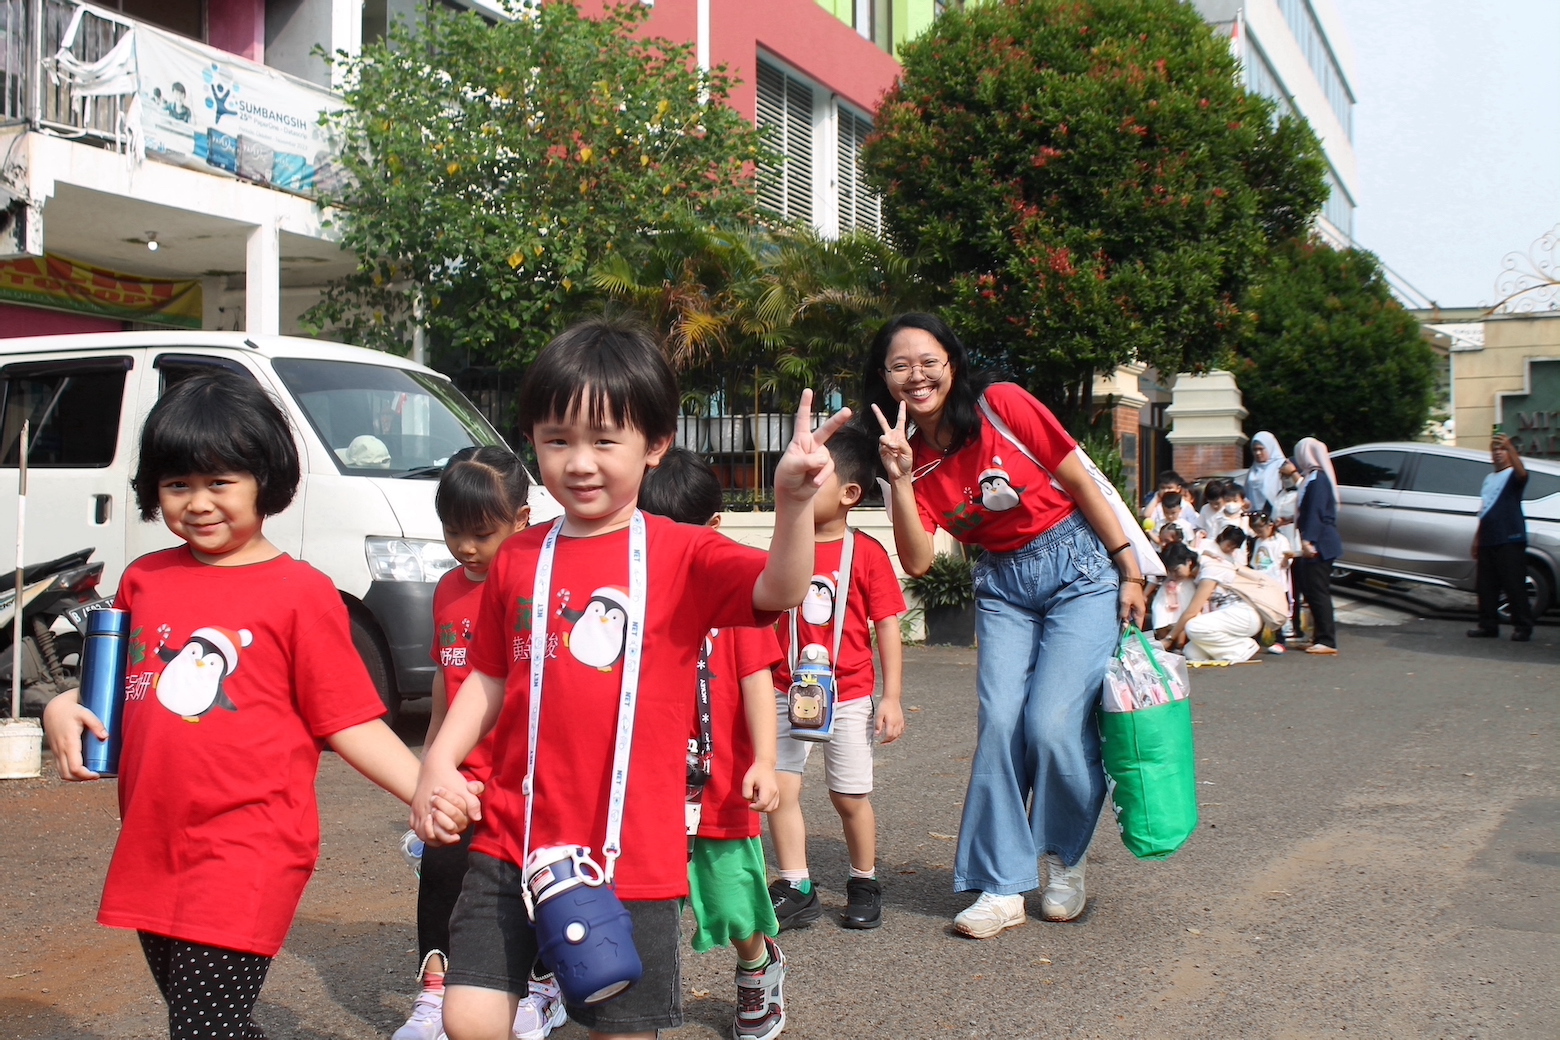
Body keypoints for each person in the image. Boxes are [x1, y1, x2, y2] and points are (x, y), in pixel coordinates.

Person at [410, 318, 844, 1040]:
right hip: (512, 836)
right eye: (557, 440)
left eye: (604, 440)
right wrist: (438, 762)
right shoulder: (517, 558)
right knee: (469, 1018)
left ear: (656, 445)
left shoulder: (683, 553)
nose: (580, 463)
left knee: (622, 1029)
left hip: (630, 848)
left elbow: (782, 588)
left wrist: (793, 505)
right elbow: (487, 677)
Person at [41, 372, 476, 1040]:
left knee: (203, 1027)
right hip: (152, 845)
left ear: (264, 480)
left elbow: (350, 720)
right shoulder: (144, 580)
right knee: (209, 1022)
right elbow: (117, 684)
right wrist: (60, 709)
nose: (198, 503)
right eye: (178, 484)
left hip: (249, 849)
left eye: (221, 483)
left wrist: (428, 790)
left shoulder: (300, 593)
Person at [867, 312, 1146, 940]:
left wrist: (1129, 568)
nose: (916, 376)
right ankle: (1000, 885)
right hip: (1003, 587)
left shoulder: (1001, 405)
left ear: (952, 364)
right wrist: (902, 478)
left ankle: (1063, 859)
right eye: (900, 366)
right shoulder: (903, 456)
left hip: (1076, 567)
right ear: (884, 379)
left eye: (928, 362)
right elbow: (916, 559)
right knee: (998, 724)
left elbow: (1078, 477)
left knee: (1050, 724)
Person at [396, 448, 555, 1040]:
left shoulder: (538, 584)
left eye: (480, 533)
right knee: (442, 871)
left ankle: (540, 986)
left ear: (522, 517)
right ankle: (436, 990)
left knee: (528, 883)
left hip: (522, 774)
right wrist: (431, 759)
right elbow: (447, 678)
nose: (465, 546)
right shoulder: (446, 589)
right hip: (460, 773)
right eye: (452, 531)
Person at [638, 448, 790, 1040]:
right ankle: (634, 997)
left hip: (724, 783)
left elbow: (756, 684)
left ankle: (757, 965)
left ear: (714, 529)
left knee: (730, 899)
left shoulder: (735, 601)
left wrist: (767, 762)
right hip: (652, 785)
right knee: (641, 899)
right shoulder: (638, 594)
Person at [768, 426, 907, 933]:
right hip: (787, 690)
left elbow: (888, 625)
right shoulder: (785, 542)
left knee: (849, 796)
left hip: (847, 696)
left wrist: (890, 696)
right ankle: (796, 883)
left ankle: (864, 879)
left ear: (849, 494)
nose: (801, 484)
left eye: (814, 477)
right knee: (781, 789)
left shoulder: (866, 553)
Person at [1468, 433, 1533, 641]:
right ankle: (1488, 625)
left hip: (1510, 538)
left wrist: (1511, 448)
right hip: (1489, 538)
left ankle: (1522, 626)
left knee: (1514, 584)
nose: (1497, 453)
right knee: (1486, 586)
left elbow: (1523, 475)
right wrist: (1477, 539)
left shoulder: (1514, 474)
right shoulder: (1489, 479)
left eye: (1501, 449)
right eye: (1494, 449)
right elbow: (1484, 510)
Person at [1162, 541, 1263, 663]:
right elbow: (1194, 551)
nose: (1173, 575)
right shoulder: (1198, 568)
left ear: (1188, 561)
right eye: (1170, 572)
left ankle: (1242, 646)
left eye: (1175, 570)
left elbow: (1192, 611)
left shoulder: (1210, 568)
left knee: (1193, 627)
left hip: (1243, 614)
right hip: (1226, 619)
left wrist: (1169, 638)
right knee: (1191, 652)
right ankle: (1229, 650)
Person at [1292, 437, 1342, 655]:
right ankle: (1317, 635)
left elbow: (1316, 513)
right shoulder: (1311, 478)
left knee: (1318, 590)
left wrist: (1308, 539)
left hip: (1320, 542)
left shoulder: (1318, 480)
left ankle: (1327, 640)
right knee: (1310, 589)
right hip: (1316, 540)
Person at [1247, 511, 1294, 654]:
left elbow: (1286, 563)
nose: (1258, 532)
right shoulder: (1258, 541)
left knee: (1278, 613)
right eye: (1255, 529)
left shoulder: (1280, 540)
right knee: (1259, 610)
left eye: (1260, 528)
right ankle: (1255, 638)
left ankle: (1280, 640)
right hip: (1261, 582)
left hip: (1277, 582)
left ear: (1270, 525)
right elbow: (1255, 562)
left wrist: (1287, 558)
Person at [1244, 432, 1285, 514]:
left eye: (1261, 449)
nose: (1257, 453)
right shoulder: (1252, 470)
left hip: (1276, 515)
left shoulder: (1282, 466)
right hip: (1255, 516)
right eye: (1255, 450)